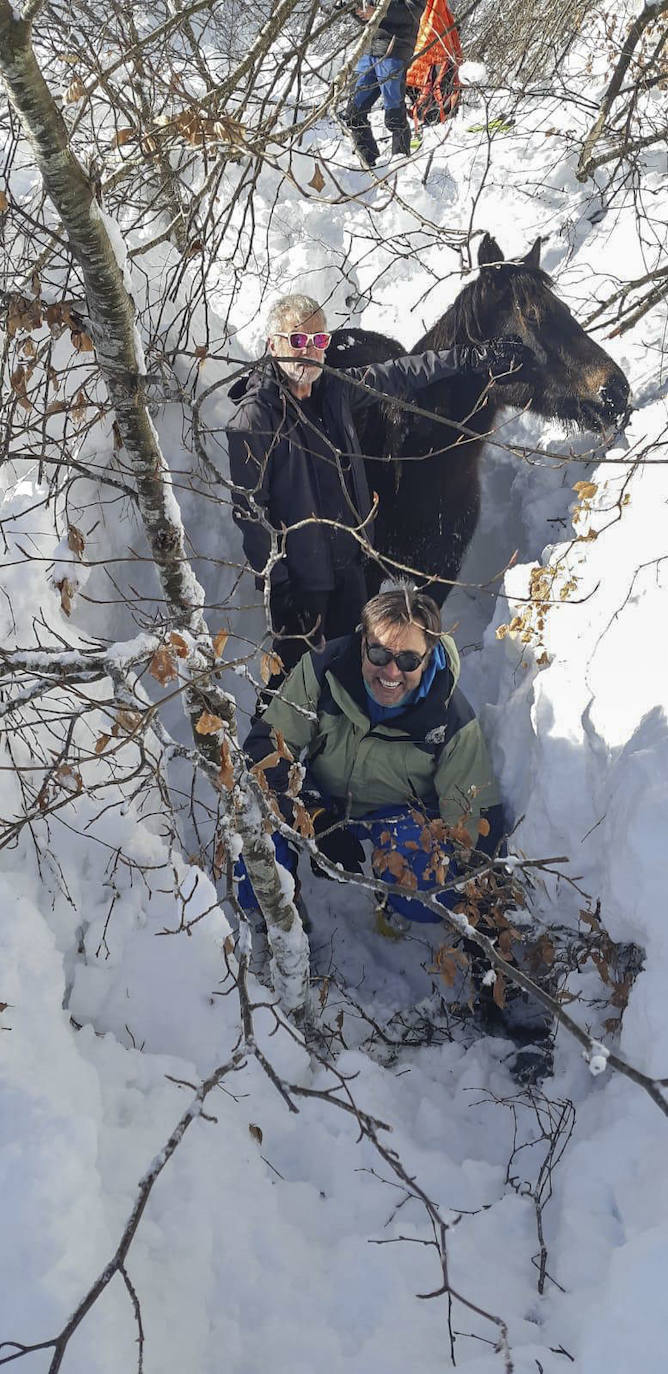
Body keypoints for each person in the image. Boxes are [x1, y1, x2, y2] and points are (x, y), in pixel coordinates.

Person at [227, 293, 535, 683]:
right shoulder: (254, 418)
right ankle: (265, 745)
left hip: (349, 569)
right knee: (291, 683)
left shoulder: (334, 391)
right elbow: (251, 513)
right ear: (273, 345)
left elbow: (402, 371)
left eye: (319, 342)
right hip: (303, 585)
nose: (309, 353)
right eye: (298, 340)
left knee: (349, 678)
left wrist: (470, 359)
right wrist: (280, 587)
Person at [238, 584, 504, 926]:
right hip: (322, 792)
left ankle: (392, 888)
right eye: (379, 654)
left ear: (428, 656)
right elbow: (264, 751)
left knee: (433, 893)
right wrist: (315, 817)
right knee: (249, 813)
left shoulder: (449, 716)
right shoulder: (324, 670)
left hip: (400, 815)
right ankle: (276, 920)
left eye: (408, 660)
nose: (391, 672)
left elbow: (474, 819)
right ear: (362, 644)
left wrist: (484, 917)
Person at [343, 1, 423, 165]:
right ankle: (369, 164)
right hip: (369, 47)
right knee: (353, 113)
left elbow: (413, 10)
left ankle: (399, 168)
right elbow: (368, 17)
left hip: (395, 48)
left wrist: (379, 11)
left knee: (394, 116)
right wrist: (355, 9)